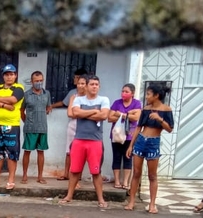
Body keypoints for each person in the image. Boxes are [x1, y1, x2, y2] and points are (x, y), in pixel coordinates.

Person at [59, 75, 111, 207]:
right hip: (79, 140)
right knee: (74, 170)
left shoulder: (104, 99)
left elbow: (104, 115)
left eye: (97, 84)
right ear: (86, 86)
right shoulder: (78, 99)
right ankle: (69, 196)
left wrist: (85, 113)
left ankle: (100, 199)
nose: (94, 86)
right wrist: (94, 111)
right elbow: (75, 113)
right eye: (92, 84)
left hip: (95, 141)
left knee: (96, 171)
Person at [124, 83, 174, 213]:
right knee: (136, 173)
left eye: (148, 94)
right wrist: (131, 145)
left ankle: (152, 204)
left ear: (156, 96)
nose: (146, 97)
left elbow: (169, 129)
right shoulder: (146, 109)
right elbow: (138, 127)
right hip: (141, 141)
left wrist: (159, 119)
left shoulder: (166, 110)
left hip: (153, 142)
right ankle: (132, 202)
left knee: (152, 175)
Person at [0, 64, 24, 190]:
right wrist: (4, 105)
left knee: (12, 153)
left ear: (15, 75)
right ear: (3, 76)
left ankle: (11, 179)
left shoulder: (19, 88)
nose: (9, 77)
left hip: (12, 125)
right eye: (7, 74)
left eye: (12, 74)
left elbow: (13, 99)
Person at [51, 68, 87, 181]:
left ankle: (78, 176)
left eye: (81, 82)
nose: (79, 84)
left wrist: (81, 113)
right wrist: (85, 114)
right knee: (69, 150)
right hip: (73, 125)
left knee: (82, 151)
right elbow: (70, 113)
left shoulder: (90, 97)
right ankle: (66, 173)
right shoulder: (73, 95)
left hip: (85, 126)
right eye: (78, 81)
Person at [107, 83, 143, 190]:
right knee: (116, 157)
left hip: (130, 136)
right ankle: (117, 181)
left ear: (132, 93)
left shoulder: (137, 103)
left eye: (126, 92)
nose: (123, 93)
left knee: (128, 158)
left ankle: (126, 181)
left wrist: (120, 114)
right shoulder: (116, 103)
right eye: (122, 91)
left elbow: (136, 118)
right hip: (117, 135)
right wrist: (128, 115)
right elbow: (109, 118)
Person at [20, 71, 52, 184]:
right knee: (27, 151)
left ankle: (40, 176)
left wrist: (48, 110)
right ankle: (24, 175)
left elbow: (48, 106)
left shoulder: (46, 93)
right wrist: (27, 121)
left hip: (43, 127)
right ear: (32, 81)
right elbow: (21, 110)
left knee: (41, 152)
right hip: (30, 128)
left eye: (41, 80)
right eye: (36, 81)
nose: (39, 83)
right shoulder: (26, 94)